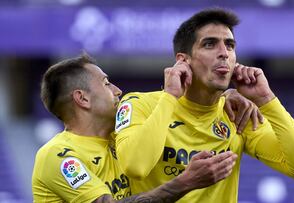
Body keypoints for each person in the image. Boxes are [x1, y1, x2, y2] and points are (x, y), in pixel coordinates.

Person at [114, 8, 294, 203]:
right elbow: (135, 167)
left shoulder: (237, 114)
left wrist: (266, 99)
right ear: (183, 60)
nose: (224, 53)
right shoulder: (140, 104)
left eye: (230, 45)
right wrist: (170, 97)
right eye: (210, 44)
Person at [32, 53, 261, 202]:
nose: (118, 90)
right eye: (106, 83)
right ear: (82, 99)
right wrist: (185, 182)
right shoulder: (59, 156)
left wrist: (221, 97)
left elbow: (174, 110)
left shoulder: (122, 140)